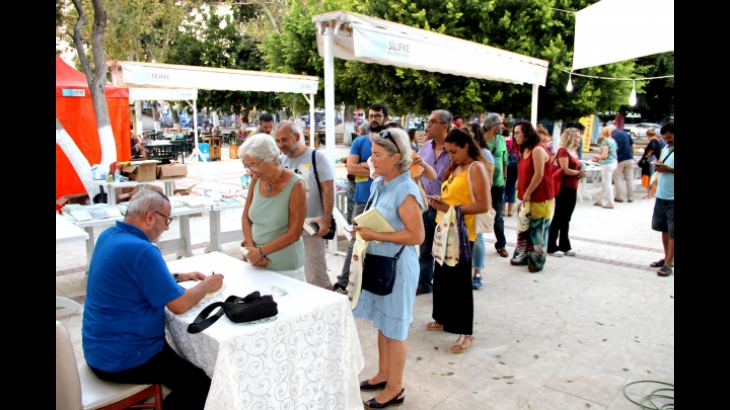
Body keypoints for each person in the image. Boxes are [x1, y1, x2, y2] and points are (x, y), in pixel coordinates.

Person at [82, 188, 224, 409]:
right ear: (150, 217)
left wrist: (179, 276)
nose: (167, 227)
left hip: (97, 348)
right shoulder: (143, 250)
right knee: (202, 386)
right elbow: (179, 305)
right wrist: (208, 284)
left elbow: (131, 276)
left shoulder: (108, 236)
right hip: (126, 357)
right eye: (166, 220)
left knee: (182, 355)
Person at [353, 128, 424, 409]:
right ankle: (384, 374)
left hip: (398, 268)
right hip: (381, 264)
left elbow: (417, 236)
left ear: (396, 157)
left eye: (378, 154)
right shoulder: (381, 183)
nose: (372, 159)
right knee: (384, 324)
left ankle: (395, 388)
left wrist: (376, 235)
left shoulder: (405, 190)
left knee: (395, 330)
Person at [427, 128, 491, 354]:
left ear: (466, 146)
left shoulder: (476, 168)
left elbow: (483, 204)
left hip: (463, 232)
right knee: (442, 277)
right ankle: (443, 318)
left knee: (460, 283)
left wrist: (453, 209)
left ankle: (466, 332)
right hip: (444, 227)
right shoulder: (454, 167)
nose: (450, 156)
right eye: (448, 152)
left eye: (454, 151)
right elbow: (451, 197)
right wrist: (440, 201)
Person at [332, 104, 389, 294]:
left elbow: (392, 168)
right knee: (356, 241)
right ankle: (343, 282)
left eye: (378, 116)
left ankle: (373, 282)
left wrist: (364, 166)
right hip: (363, 199)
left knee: (383, 242)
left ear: (385, 119)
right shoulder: (360, 142)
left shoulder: (391, 143)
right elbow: (350, 168)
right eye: (371, 115)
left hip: (386, 200)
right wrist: (375, 167)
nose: (374, 119)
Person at [239, 134, 307, 280]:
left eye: (254, 165)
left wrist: (260, 252)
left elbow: (294, 234)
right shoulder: (256, 180)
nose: (251, 171)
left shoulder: (296, 185)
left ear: (272, 158)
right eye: (247, 166)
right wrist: (252, 250)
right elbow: (245, 217)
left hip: (286, 266)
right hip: (257, 262)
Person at [276, 121, 335, 289]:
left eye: (284, 140)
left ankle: (331, 310)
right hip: (287, 229)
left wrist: (326, 219)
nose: (281, 145)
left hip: (311, 227)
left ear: (296, 137)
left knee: (316, 276)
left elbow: (328, 190)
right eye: (278, 141)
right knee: (293, 276)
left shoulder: (316, 157)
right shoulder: (281, 161)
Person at [417, 109, 453, 296]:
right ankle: (423, 283)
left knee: (442, 251)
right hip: (425, 206)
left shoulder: (454, 149)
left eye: (432, 122)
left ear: (444, 126)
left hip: (445, 209)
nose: (428, 125)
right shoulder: (426, 146)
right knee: (424, 248)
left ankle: (442, 287)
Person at [510, 121, 553, 273]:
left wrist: (528, 192)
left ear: (526, 133)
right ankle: (522, 255)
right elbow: (524, 169)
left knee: (537, 229)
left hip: (540, 197)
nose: (514, 136)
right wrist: (518, 182)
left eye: (517, 133)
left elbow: (539, 174)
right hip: (524, 196)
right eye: (513, 133)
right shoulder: (523, 150)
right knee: (523, 228)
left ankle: (536, 261)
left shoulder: (538, 150)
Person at [463, 123, 495, 290]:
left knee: (478, 238)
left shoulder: (485, 154)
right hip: (463, 202)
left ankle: (478, 273)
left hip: (477, 202)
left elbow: (488, 180)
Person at [547, 128, 586, 257]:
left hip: (573, 187)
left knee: (567, 218)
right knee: (558, 217)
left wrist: (580, 173)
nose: (579, 140)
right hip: (563, 187)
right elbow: (565, 169)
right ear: (570, 138)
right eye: (577, 137)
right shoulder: (563, 151)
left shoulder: (574, 151)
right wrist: (579, 173)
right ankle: (551, 245)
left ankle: (564, 244)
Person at [482, 113, 510, 258]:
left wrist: (504, 178)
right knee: (479, 214)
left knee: (498, 216)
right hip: (481, 186)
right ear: (494, 125)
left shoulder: (501, 140)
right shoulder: (479, 140)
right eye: (501, 123)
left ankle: (501, 244)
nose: (503, 126)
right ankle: (475, 243)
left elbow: (505, 160)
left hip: (498, 185)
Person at [651, 122, 674, 277]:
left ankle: (668, 264)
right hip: (661, 195)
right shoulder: (665, 148)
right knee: (664, 230)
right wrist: (659, 166)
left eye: (670, 138)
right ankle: (668, 258)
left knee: (673, 233)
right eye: (665, 139)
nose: (667, 141)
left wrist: (670, 170)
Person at [592, 127, 619, 209]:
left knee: (607, 183)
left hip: (607, 164)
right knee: (605, 182)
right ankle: (600, 199)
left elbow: (604, 155)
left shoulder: (605, 142)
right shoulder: (612, 141)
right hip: (613, 162)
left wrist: (597, 156)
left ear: (603, 133)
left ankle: (610, 202)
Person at [611, 126, 637, 203]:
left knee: (618, 178)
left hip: (619, 159)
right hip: (629, 158)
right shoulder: (625, 133)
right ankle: (631, 197)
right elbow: (633, 145)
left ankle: (619, 197)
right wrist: (632, 155)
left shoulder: (612, 136)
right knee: (629, 178)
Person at [641, 128, 662, 200]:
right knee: (653, 177)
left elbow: (651, 149)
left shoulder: (652, 141)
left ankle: (648, 195)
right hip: (655, 161)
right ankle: (652, 193)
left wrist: (647, 156)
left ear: (648, 135)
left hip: (651, 162)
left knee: (650, 177)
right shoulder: (657, 141)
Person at [504, 121, 519, 218]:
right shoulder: (514, 143)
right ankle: (510, 211)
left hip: (506, 167)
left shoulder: (501, 142)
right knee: (512, 189)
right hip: (515, 168)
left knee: (504, 189)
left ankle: (502, 210)